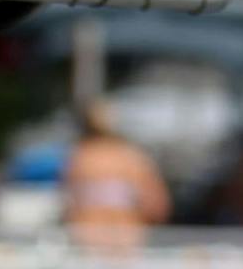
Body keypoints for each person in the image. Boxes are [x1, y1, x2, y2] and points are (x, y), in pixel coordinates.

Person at [62, 99, 170, 247]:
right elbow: (157, 206)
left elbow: (70, 205)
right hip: (126, 238)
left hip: (89, 237)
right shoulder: (132, 158)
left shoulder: (79, 158)